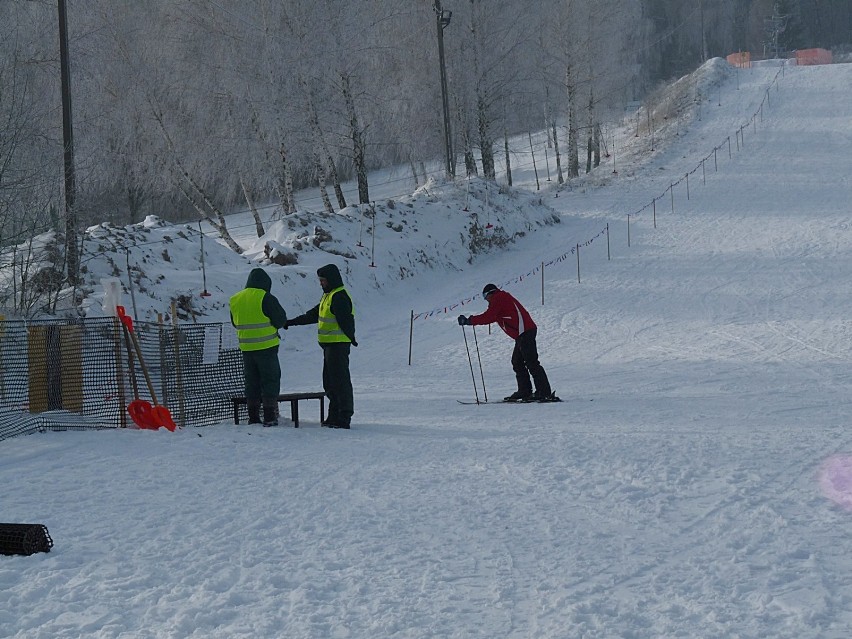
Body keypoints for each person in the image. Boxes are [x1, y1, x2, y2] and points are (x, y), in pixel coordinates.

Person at [457, 283, 557, 402]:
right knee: (517, 361)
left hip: (524, 331)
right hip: (522, 333)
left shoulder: (499, 297)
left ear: (490, 293)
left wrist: (469, 321)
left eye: (485, 296)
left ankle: (544, 392)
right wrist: (470, 321)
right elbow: (491, 317)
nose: (486, 300)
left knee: (531, 362)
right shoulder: (499, 299)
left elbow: (489, 316)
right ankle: (524, 390)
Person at [287, 263, 357, 429]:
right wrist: (291, 322)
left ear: (331, 280)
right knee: (330, 383)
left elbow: (346, 320)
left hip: (338, 346)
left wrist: (351, 338)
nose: (321, 283)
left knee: (340, 382)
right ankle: (333, 416)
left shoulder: (339, 296)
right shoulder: (329, 296)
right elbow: (313, 315)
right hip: (329, 347)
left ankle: (343, 417)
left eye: (323, 280)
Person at [229, 268, 288, 426]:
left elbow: (235, 323)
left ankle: (253, 416)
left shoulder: (235, 299)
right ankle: (269, 416)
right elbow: (280, 320)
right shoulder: (266, 297)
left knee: (251, 381)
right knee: (270, 379)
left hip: (247, 349)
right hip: (267, 347)